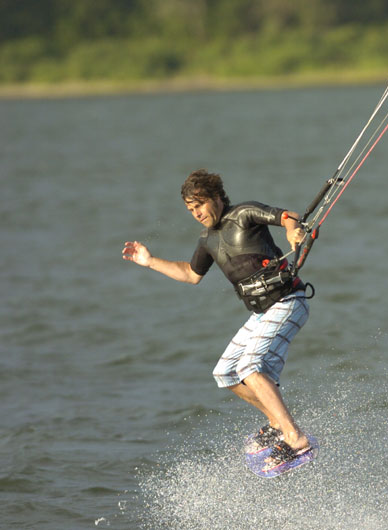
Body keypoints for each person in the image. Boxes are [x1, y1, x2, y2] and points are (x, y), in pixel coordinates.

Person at [122, 169, 311, 469]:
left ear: (217, 198)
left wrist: (291, 230)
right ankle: (276, 422)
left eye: (200, 205)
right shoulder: (207, 240)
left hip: (287, 301)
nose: (196, 213)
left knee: (250, 367)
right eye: (190, 209)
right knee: (225, 373)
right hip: (262, 313)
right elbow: (190, 274)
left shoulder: (245, 214)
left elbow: (288, 216)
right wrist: (149, 261)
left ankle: (295, 438)